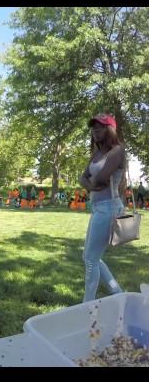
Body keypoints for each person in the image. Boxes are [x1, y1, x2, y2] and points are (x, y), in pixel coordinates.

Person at [79, 113, 125, 302]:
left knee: (90, 259)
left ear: (110, 129)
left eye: (100, 126)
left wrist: (92, 181)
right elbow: (83, 178)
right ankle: (118, 293)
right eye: (93, 127)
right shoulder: (96, 154)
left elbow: (102, 178)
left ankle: (87, 305)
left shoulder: (117, 151)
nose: (95, 130)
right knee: (89, 257)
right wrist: (91, 184)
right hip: (98, 206)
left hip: (110, 208)